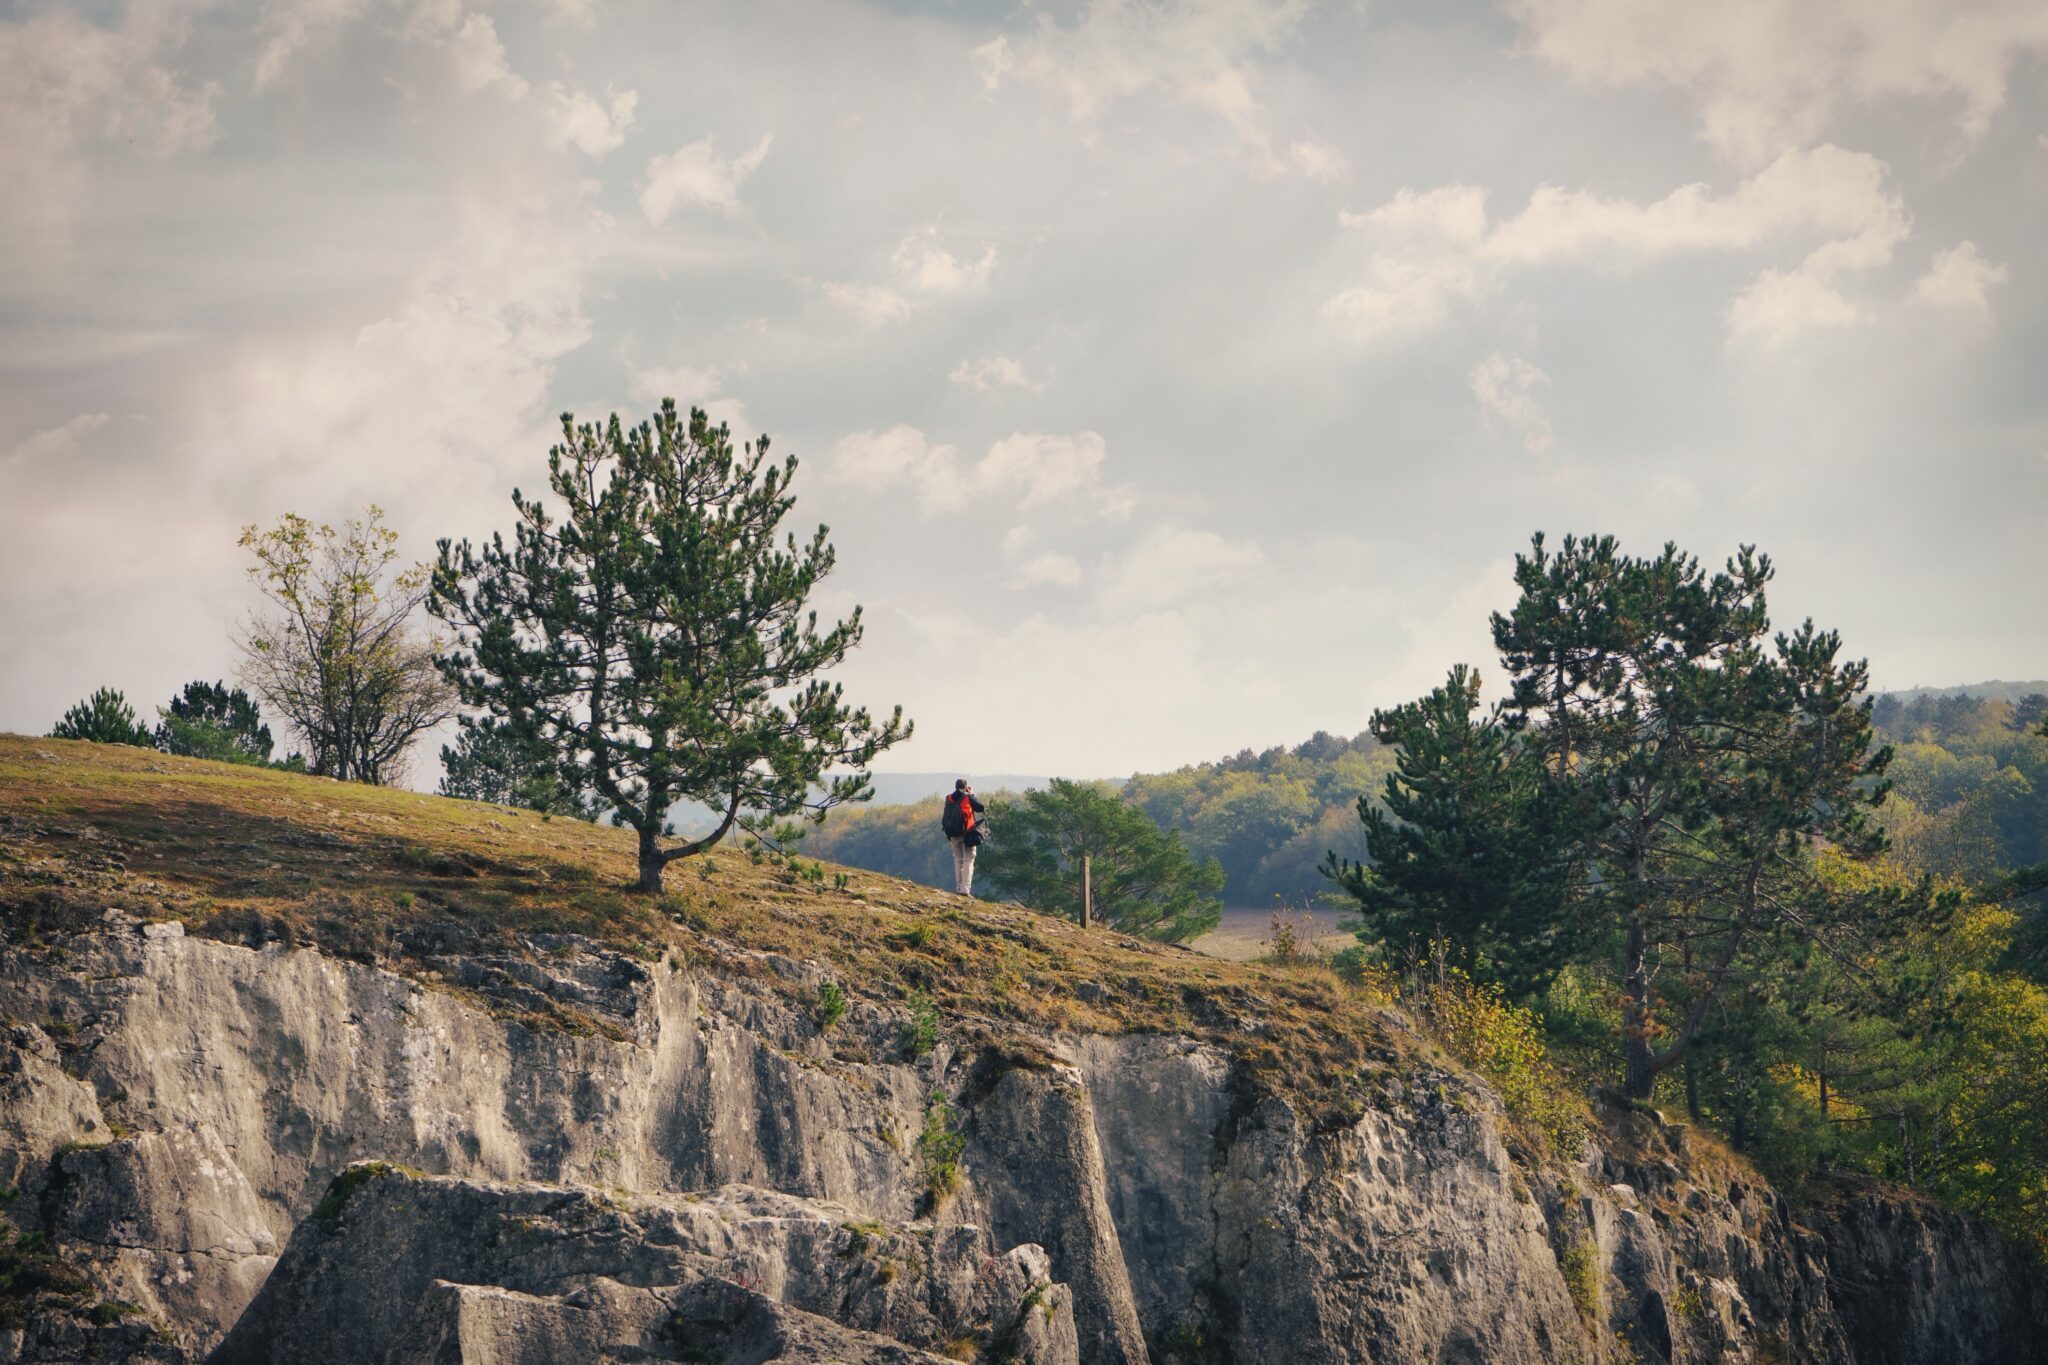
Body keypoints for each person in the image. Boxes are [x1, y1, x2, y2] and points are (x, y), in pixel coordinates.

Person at [940, 778, 986, 896]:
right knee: (968, 860)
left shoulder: (949, 798)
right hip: (967, 833)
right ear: (965, 787)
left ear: (955, 787)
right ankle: (965, 889)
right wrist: (971, 794)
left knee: (958, 860)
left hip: (953, 834)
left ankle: (958, 887)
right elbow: (980, 807)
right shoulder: (967, 797)